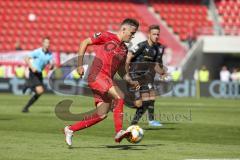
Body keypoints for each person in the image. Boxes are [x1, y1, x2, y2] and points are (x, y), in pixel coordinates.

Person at [64, 18, 140, 147]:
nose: (133, 36)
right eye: (132, 33)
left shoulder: (124, 50)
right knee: (120, 96)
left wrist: (131, 82)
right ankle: (119, 131)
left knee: (101, 114)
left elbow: (122, 72)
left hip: (105, 79)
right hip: (96, 75)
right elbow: (85, 42)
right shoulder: (107, 36)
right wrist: (79, 65)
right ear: (123, 29)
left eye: (134, 34)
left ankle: (70, 129)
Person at [125, 25, 167, 127]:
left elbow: (155, 65)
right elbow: (129, 56)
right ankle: (121, 100)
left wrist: (162, 72)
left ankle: (135, 124)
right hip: (134, 76)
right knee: (140, 103)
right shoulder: (142, 45)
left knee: (150, 98)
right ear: (149, 35)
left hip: (145, 78)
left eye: (158, 34)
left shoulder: (157, 49)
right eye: (154, 34)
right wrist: (126, 73)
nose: (156, 36)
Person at [22, 37, 54, 112]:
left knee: (40, 92)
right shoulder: (38, 51)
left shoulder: (50, 54)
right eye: (46, 42)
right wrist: (32, 67)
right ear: (42, 43)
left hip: (39, 73)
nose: (47, 44)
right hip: (33, 72)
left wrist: (51, 66)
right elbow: (26, 58)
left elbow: (51, 65)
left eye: (48, 43)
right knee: (40, 91)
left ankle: (26, 108)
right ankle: (28, 85)